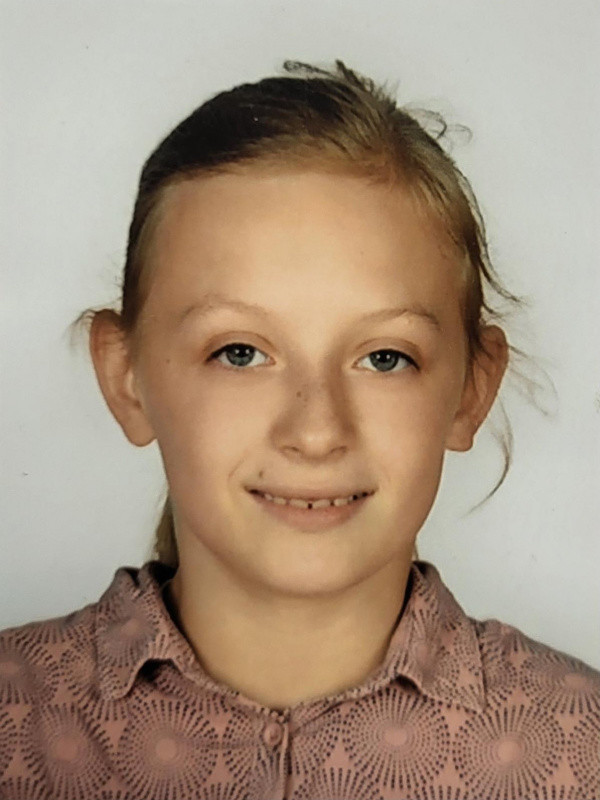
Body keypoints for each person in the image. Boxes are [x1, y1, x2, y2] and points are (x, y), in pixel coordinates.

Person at [0, 60, 598, 800]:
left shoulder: (583, 751)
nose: (316, 433)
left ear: (471, 390)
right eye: (239, 353)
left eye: (385, 358)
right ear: (125, 377)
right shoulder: (15, 724)